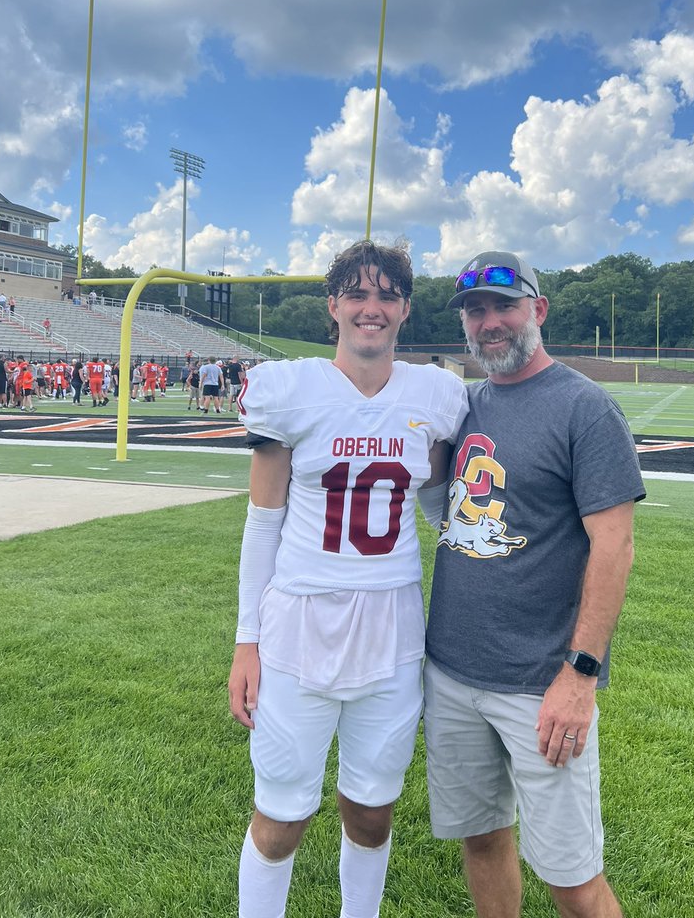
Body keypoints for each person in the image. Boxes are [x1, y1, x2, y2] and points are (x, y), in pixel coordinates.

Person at [229, 239, 468, 918]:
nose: (372, 307)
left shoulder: (436, 395)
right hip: (299, 625)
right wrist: (247, 641)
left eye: (387, 294)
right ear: (333, 305)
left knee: (371, 813)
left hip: (392, 628)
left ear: (405, 309)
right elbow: (262, 525)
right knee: (280, 819)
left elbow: (435, 500)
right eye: (358, 293)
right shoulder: (291, 390)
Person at [423, 251, 645, 918]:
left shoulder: (585, 408)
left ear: (538, 311)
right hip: (453, 671)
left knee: (573, 880)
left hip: (539, 682)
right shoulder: (463, 405)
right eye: (475, 311)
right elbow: (440, 503)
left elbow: (616, 546)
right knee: (483, 838)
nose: (490, 322)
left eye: (504, 305)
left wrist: (580, 676)